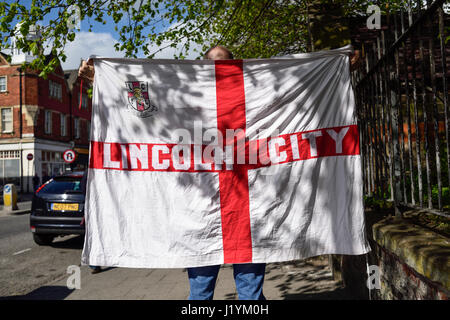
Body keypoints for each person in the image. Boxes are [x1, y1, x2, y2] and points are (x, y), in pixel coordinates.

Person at [78, 45, 360, 298]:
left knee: (250, 294)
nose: (217, 67)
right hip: (200, 214)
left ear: (236, 63)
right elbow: (145, 113)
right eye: (211, 62)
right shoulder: (183, 98)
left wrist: (339, 69)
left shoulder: (258, 92)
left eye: (223, 62)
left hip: (251, 212)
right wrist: (98, 78)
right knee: (200, 294)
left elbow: (298, 91)